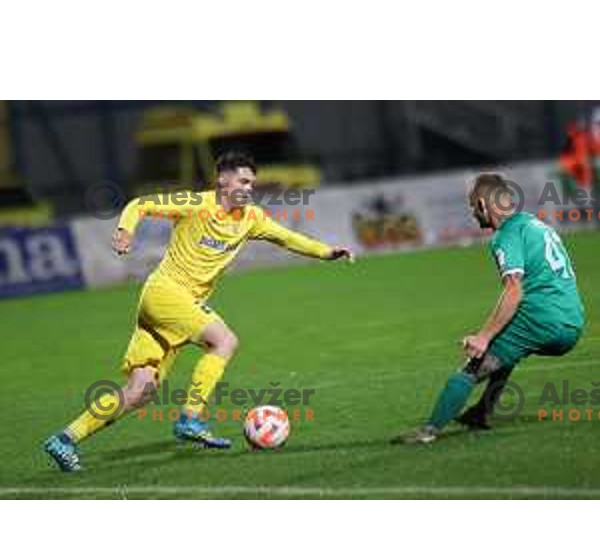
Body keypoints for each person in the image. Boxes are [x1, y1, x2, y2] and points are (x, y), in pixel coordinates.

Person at [44, 152, 353, 471]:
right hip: (164, 293)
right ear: (223, 180)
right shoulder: (194, 203)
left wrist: (327, 252)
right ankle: (190, 418)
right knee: (225, 341)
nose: (249, 188)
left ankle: (64, 440)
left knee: (140, 391)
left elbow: (288, 238)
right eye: (243, 181)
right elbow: (140, 204)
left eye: (252, 183)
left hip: (172, 309)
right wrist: (126, 230)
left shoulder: (251, 218)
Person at [396, 173, 585, 444]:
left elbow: (514, 290)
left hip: (542, 319)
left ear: (485, 206)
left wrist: (482, 336)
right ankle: (481, 412)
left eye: (473, 206)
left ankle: (428, 432)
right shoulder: (535, 224)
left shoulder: (505, 235)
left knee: (472, 367)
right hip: (573, 320)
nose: (473, 213)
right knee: (506, 347)